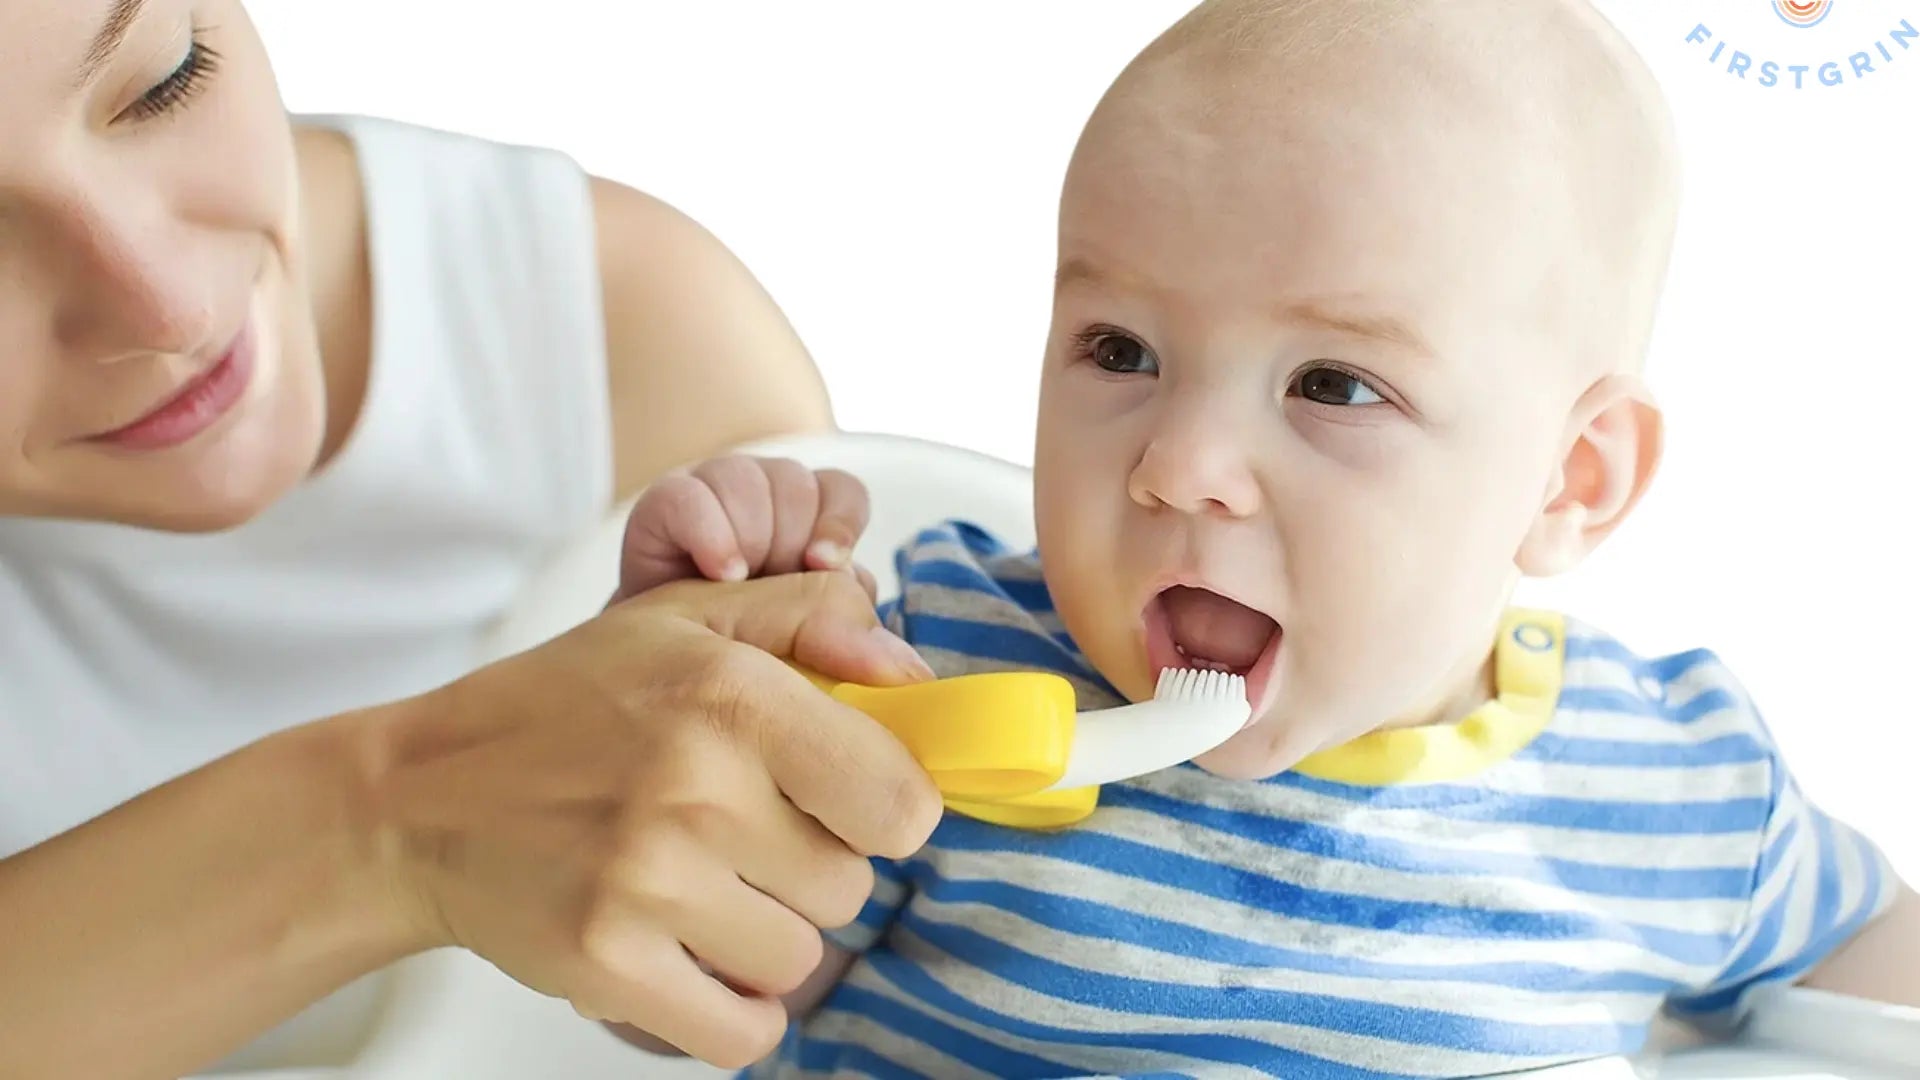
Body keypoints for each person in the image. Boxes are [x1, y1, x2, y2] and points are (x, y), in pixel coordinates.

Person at [607, 0, 1920, 1075]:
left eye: (1333, 386)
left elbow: (1876, 972)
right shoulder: (933, 665)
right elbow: (680, 985)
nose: (1179, 466)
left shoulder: (1676, 789)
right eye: (1121, 350)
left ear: (1568, 481)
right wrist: (720, 682)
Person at [0, 1, 944, 1076]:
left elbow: (878, 989)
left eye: (167, 78)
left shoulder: (615, 350)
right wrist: (396, 822)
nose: (162, 308)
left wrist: (761, 883)